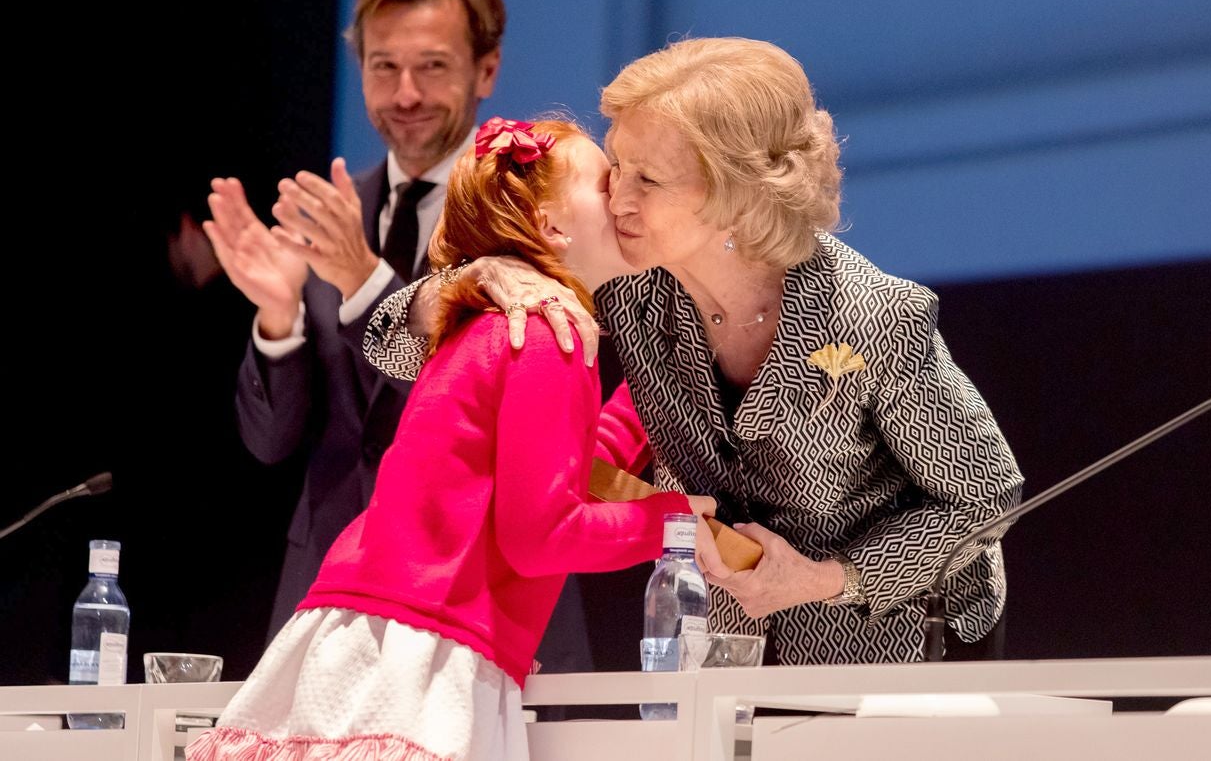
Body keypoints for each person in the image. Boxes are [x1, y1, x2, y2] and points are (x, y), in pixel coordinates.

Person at [365, 37, 1025, 664]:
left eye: (647, 179)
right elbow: (386, 345)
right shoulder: (630, 282)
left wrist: (828, 578)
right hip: (711, 637)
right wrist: (471, 280)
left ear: (737, 195)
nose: (614, 197)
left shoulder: (877, 316)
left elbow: (986, 498)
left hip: (889, 645)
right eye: (616, 165)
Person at [189, 117, 716, 761]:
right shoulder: (548, 328)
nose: (623, 198)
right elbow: (538, 535)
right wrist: (673, 521)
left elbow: (565, 463)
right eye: (606, 183)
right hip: (428, 648)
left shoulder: (485, 321)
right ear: (551, 226)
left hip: (369, 628)